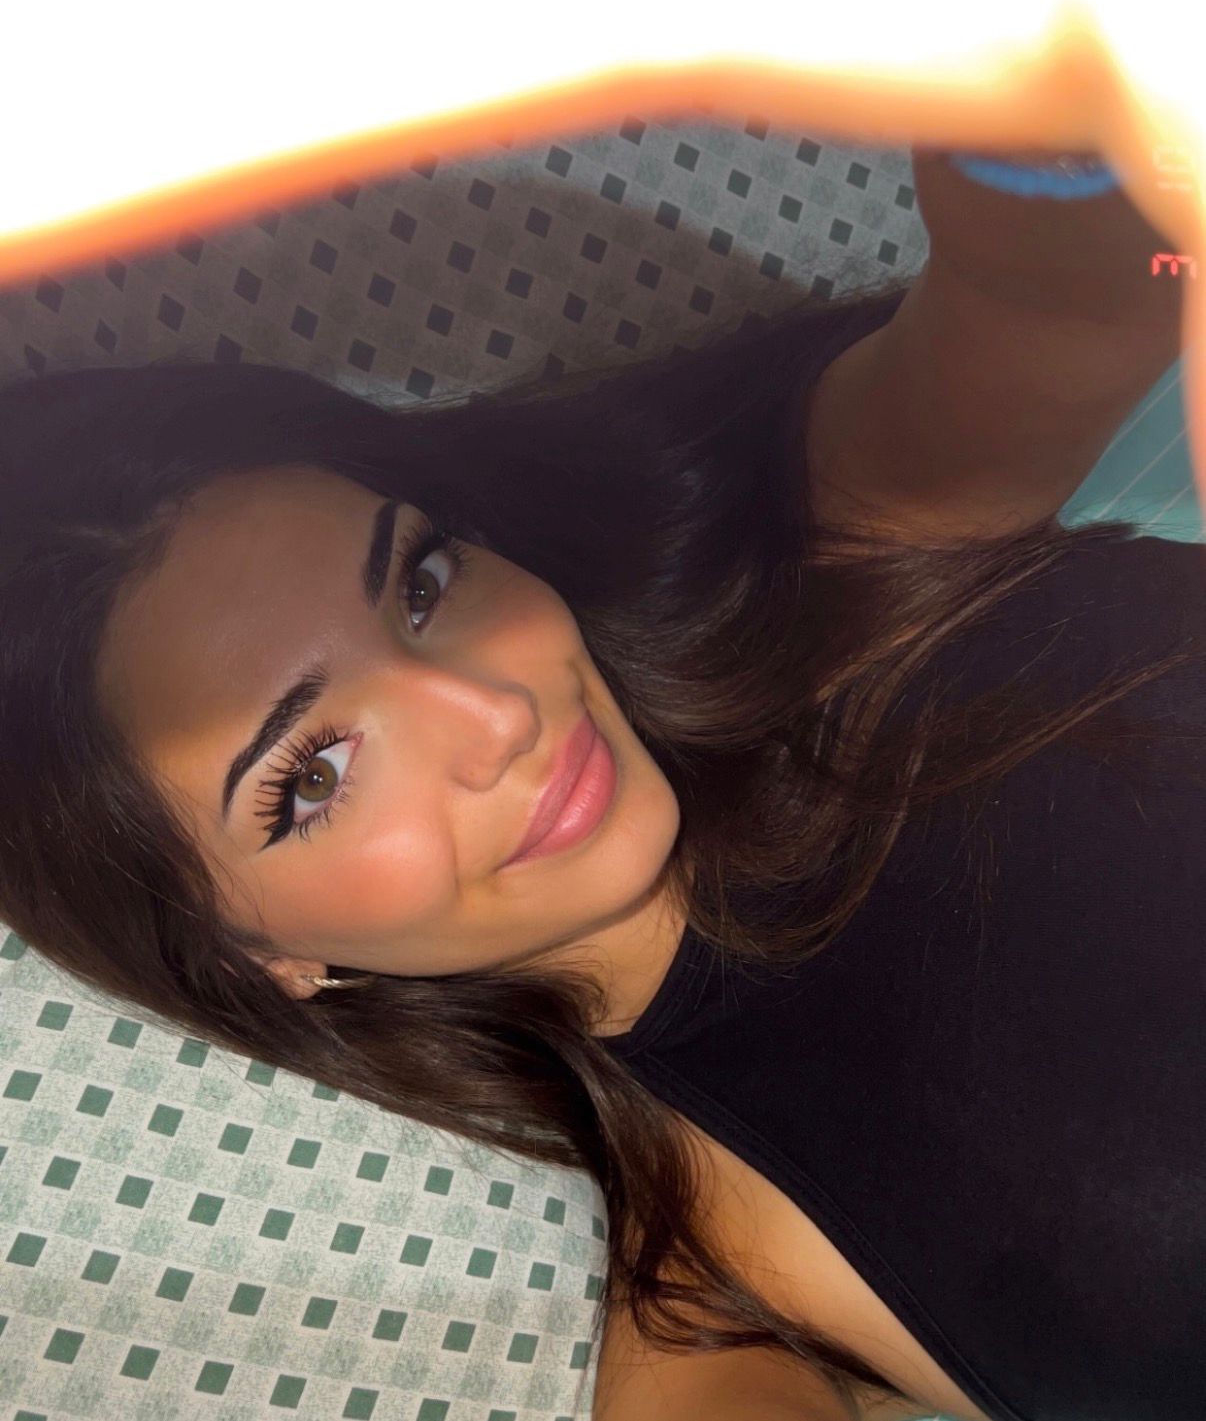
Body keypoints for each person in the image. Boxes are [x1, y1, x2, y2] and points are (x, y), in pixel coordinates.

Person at [0, 256, 1202, 1421]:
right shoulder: (716, 1296)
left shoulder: (836, 548)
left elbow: (1054, 295)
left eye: (421, 585)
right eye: (314, 774)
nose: (496, 712)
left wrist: (1050, 187)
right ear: (259, 957)